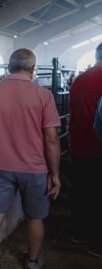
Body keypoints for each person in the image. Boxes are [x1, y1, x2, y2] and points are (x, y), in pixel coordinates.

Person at [0, 48, 61, 269]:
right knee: (35, 218)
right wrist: (55, 174)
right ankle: (32, 263)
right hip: (35, 168)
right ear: (33, 70)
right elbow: (51, 139)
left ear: (8, 67)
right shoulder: (44, 95)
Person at [68, 42, 102, 258]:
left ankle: (78, 233)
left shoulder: (80, 78)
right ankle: (97, 244)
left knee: (81, 190)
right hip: (98, 146)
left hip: (78, 143)